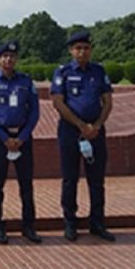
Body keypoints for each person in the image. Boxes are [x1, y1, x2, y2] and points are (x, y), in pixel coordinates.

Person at [51, 31, 116, 242]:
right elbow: (59, 102)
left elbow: (107, 101)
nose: (82, 52)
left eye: (86, 48)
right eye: (78, 48)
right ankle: (70, 222)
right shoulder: (63, 72)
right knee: (70, 179)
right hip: (71, 132)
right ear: (71, 50)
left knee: (96, 180)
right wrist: (81, 126)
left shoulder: (98, 71)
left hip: (96, 132)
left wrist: (96, 126)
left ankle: (97, 222)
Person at [0, 41, 41, 244]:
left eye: (12, 56)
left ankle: (29, 226)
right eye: (4, 56)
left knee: (26, 184)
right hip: (0, 139)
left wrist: (21, 137)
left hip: (23, 138)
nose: (8, 60)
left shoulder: (25, 81)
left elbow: (34, 112)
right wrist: (5, 138)